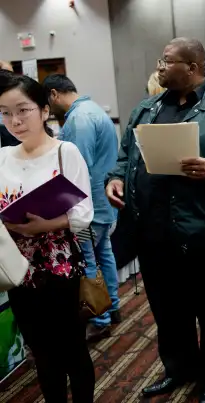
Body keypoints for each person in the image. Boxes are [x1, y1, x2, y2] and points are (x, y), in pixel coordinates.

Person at [105, 37, 205, 403]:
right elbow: (125, 155)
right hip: (154, 232)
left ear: (192, 68)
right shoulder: (147, 109)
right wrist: (115, 178)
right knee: (169, 311)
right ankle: (179, 368)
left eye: (166, 62)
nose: (159, 68)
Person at [0, 73, 95, 402]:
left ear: (43, 110)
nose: (15, 120)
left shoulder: (64, 152)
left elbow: (84, 214)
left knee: (71, 349)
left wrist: (45, 225)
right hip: (17, 269)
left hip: (58, 268)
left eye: (23, 110)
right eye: (6, 112)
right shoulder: (3, 157)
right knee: (40, 352)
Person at [43, 74, 121, 341]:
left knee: (88, 259)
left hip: (89, 211)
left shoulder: (78, 119)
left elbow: (78, 170)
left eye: (47, 102)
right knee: (104, 254)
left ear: (54, 94)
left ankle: (100, 319)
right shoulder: (95, 110)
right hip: (102, 206)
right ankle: (112, 307)